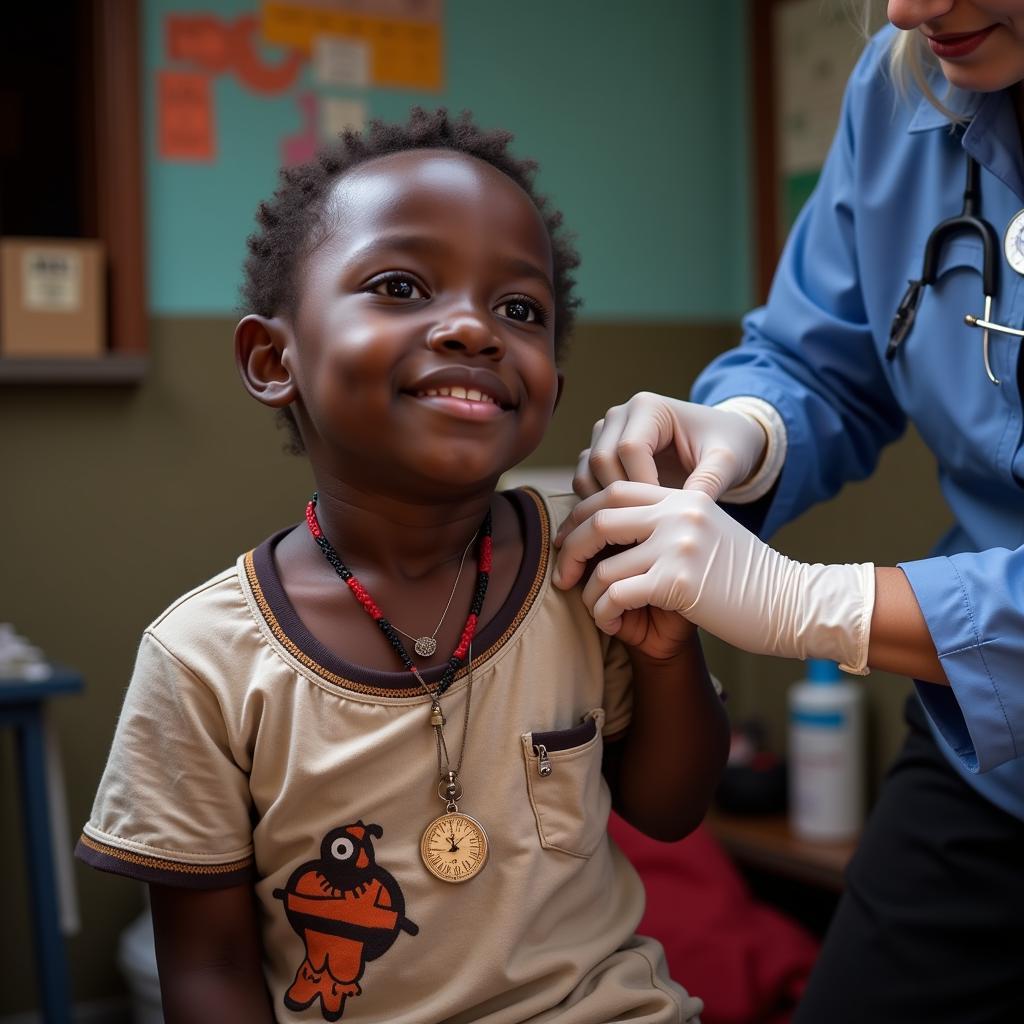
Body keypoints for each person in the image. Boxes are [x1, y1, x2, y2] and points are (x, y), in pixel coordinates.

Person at [74, 109, 723, 1024]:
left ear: (549, 390)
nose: (472, 329)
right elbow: (208, 970)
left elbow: (671, 811)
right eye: (399, 285)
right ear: (273, 358)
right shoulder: (202, 661)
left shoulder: (590, 562)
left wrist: (668, 655)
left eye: (519, 309)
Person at [554, 4, 1024, 1022]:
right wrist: (747, 424)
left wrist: (811, 604)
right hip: (997, 764)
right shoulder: (901, 82)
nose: (905, 7)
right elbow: (821, 351)